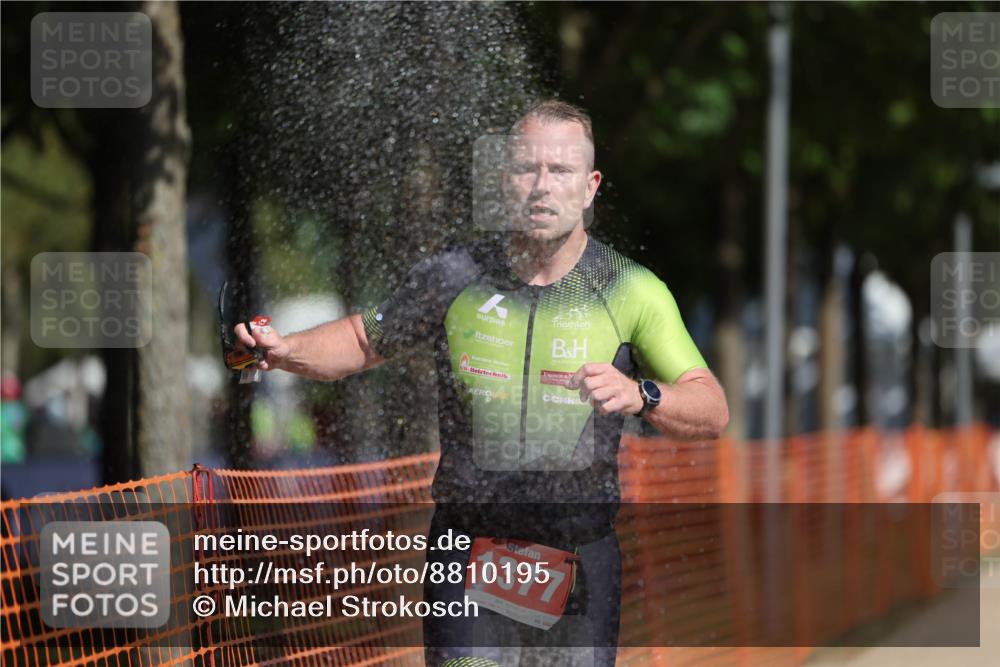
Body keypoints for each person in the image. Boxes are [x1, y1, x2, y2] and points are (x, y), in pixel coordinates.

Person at [234, 100, 729, 666]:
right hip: (465, 551)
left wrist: (642, 395)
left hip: (579, 557)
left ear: (590, 187)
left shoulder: (628, 288)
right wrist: (284, 351)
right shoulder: (456, 276)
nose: (542, 185)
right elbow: (363, 341)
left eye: (561, 170)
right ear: (505, 181)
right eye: (527, 168)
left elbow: (712, 409)